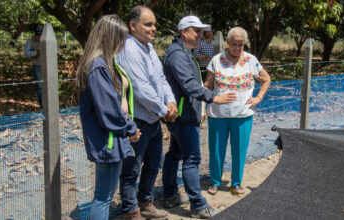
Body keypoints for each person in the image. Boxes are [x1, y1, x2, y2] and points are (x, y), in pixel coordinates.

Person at [162, 15, 237, 219]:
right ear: (184, 32)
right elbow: (189, 85)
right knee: (192, 159)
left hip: (184, 113)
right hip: (183, 116)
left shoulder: (183, 51)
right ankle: (197, 204)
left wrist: (200, 108)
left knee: (175, 154)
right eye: (197, 31)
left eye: (202, 31)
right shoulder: (178, 54)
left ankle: (169, 195)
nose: (201, 35)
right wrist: (213, 98)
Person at [76, 14, 141, 220]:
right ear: (109, 37)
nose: (122, 44)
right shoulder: (99, 66)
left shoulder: (101, 64)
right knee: (103, 197)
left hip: (110, 139)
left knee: (104, 195)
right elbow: (109, 110)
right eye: (120, 38)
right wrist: (129, 128)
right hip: (108, 141)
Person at [116, 5, 178, 220]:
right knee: (131, 170)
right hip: (138, 121)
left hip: (153, 120)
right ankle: (131, 211)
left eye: (154, 24)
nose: (154, 29)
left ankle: (145, 202)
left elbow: (161, 80)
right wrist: (164, 111)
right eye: (148, 24)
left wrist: (170, 101)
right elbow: (141, 89)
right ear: (133, 26)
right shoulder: (128, 50)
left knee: (154, 164)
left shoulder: (149, 49)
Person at [205, 27, 271, 196]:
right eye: (234, 44)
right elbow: (208, 86)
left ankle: (236, 183)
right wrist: (204, 105)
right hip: (218, 115)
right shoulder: (216, 60)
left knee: (239, 151)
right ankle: (215, 181)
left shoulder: (251, 60)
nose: (237, 48)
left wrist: (258, 98)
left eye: (241, 45)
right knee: (216, 150)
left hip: (243, 115)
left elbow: (266, 79)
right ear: (227, 43)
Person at [24, 24, 43, 107]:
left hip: (49, 66)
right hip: (38, 66)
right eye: (38, 34)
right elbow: (26, 53)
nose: (39, 36)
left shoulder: (49, 39)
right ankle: (42, 105)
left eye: (41, 34)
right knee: (40, 86)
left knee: (51, 84)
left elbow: (56, 49)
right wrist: (36, 52)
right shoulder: (30, 40)